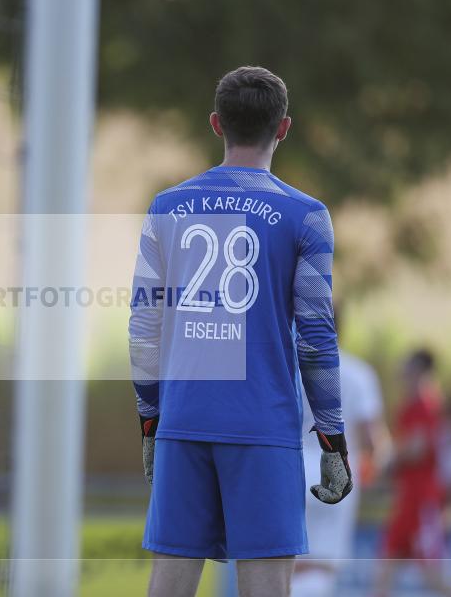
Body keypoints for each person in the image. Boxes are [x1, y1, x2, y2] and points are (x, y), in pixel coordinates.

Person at [129, 66, 352, 597]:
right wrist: (332, 438)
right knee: (266, 586)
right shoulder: (306, 215)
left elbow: (143, 326)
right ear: (283, 128)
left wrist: (149, 419)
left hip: (184, 418)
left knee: (170, 583)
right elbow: (316, 337)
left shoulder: (167, 207)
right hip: (262, 423)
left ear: (215, 124)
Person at [291, 305, 389, 597]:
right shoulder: (359, 374)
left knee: (288, 558)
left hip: (292, 467)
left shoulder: (291, 370)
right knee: (324, 562)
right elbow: (374, 441)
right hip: (338, 473)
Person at [374, 349, 451, 597]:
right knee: (384, 570)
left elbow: (418, 448)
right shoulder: (412, 403)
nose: (402, 371)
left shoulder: (426, 403)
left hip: (423, 501)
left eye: (407, 366)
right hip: (408, 500)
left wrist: (389, 457)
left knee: (433, 578)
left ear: (419, 370)